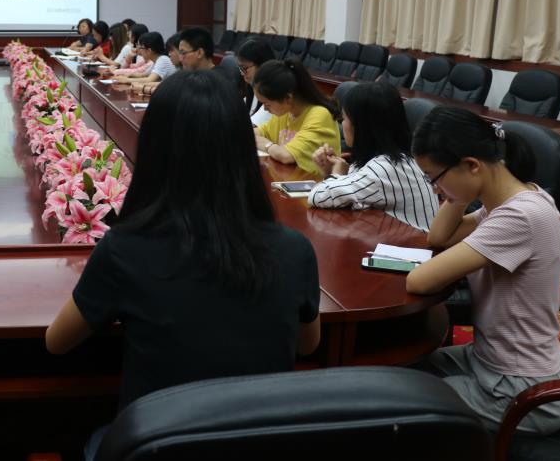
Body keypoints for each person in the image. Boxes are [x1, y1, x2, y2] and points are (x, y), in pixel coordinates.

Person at [45, 71, 320, 457]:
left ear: (153, 149)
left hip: (157, 446)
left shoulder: (125, 249)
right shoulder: (295, 249)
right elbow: (308, 345)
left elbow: (57, 343)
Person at [406, 107, 560, 435]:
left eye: (435, 178)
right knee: (401, 371)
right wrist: (456, 190)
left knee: (401, 403)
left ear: (472, 165)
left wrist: (457, 187)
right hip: (489, 360)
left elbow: (420, 280)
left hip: (521, 387)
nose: (435, 188)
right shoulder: (507, 203)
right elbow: (440, 237)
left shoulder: (519, 217)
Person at [307, 82, 439, 231]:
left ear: (360, 126)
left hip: (417, 243)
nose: (342, 124)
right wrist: (331, 173)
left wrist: (336, 174)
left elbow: (318, 196)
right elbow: (347, 197)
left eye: (343, 119)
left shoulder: (385, 168)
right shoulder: (387, 158)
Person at [253, 59, 341, 176]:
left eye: (267, 104)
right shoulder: (286, 112)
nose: (264, 109)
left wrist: (267, 145)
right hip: (288, 178)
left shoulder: (320, 115)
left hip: (316, 184)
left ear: (288, 98)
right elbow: (252, 134)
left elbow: (286, 156)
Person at [236, 39, 275, 126]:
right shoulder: (252, 87)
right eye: (240, 68)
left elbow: (250, 128)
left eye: (244, 68)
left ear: (262, 65)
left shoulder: (273, 94)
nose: (242, 73)